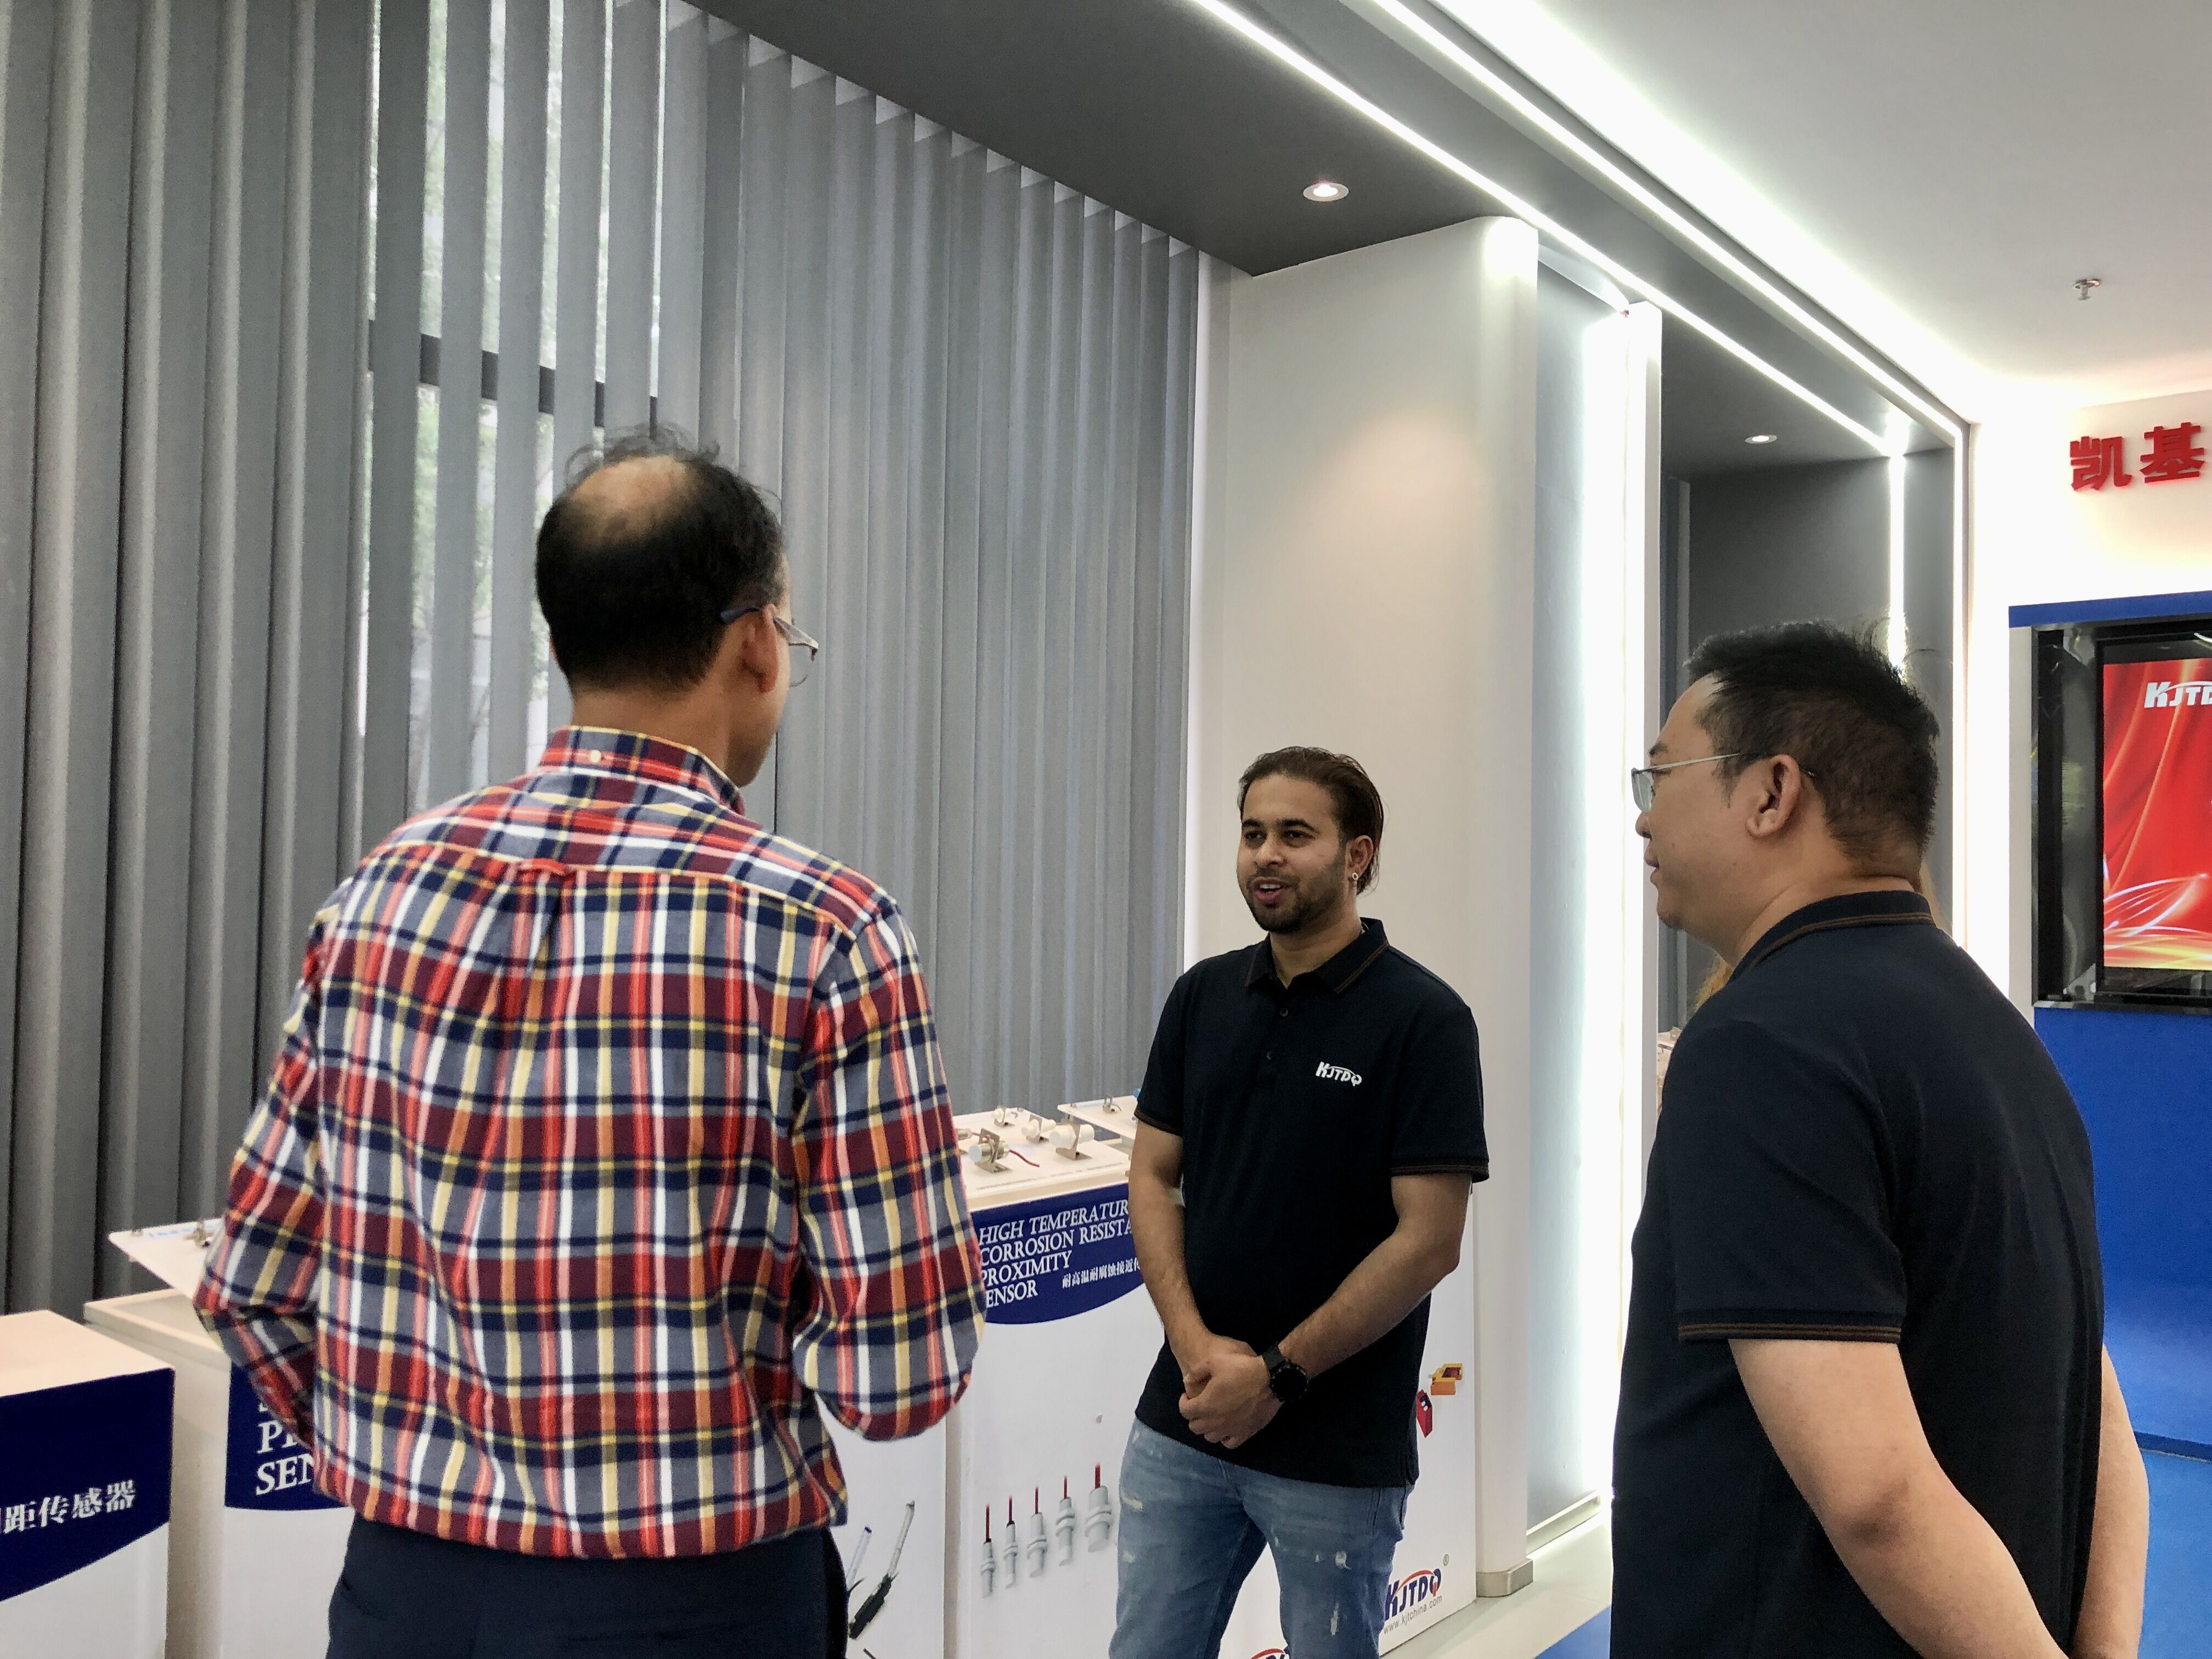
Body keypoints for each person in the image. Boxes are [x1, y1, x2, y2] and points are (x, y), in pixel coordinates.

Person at [196, 432, 985, 1659]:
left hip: (406, 1594)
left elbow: (253, 1281)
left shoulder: (383, 889)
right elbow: (901, 1377)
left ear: (563, 644)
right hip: (696, 1606)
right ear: (757, 643)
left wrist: (417, 1469)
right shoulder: (826, 930)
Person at [1615, 622, 2149, 1658]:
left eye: (1662, 773)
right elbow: (2103, 1422)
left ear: (1772, 792)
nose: (1644, 816)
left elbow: (1876, 1497)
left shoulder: (1761, 1047)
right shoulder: (1998, 1034)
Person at [1111, 747, 1487, 1659]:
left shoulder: (1424, 1020)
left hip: (1336, 1450)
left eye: (1294, 835)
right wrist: (1196, 1350)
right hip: (1188, 1417)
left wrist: (1277, 1376)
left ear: (1357, 856)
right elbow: (1153, 1177)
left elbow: (1430, 1240)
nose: (1266, 855)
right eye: (1252, 834)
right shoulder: (1203, 996)